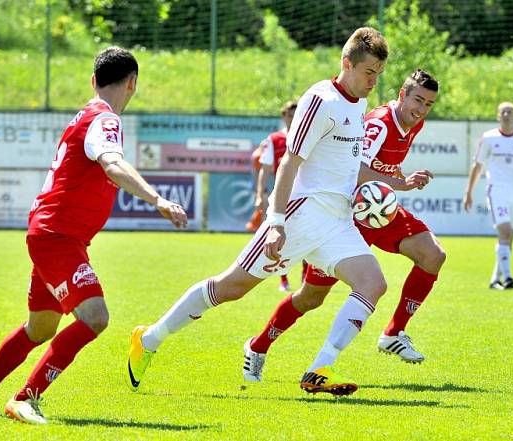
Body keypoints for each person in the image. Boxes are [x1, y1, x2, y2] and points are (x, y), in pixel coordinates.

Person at [126, 27, 390, 397]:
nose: (373, 83)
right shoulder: (320, 100)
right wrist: (277, 222)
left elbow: (342, 163)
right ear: (347, 63)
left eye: (378, 75)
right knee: (231, 287)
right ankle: (149, 338)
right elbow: (289, 163)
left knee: (373, 283)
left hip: (336, 221)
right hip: (300, 216)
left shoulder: (358, 104)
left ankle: (320, 368)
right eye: (368, 74)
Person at [0, 47, 188, 424]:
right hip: (58, 236)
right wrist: (158, 198)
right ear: (132, 83)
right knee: (95, 317)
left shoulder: (86, 115)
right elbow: (112, 163)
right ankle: (25, 398)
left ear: (93, 79)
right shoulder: (105, 119)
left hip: (54, 234)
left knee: (41, 327)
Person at [241, 69, 442, 382]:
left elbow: (383, 166)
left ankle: (393, 333)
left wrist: (400, 180)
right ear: (402, 95)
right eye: (417, 99)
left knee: (433, 255)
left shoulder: (415, 123)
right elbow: (357, 171)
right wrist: (400, 185)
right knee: (311, 297)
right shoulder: (378, 123)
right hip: (346, 218)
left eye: (428, 104)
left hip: (378, 211)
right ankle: (258, 346)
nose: (421, 109)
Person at [463, 102, 513, 290]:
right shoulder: (488, 138)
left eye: (510, 112)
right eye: (503, 112)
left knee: (510, 236)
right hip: (496, 190)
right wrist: (468, 192)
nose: (506, 115)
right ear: (498, 116)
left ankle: (495, 279)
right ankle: (508, 277)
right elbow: (478, 165)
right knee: (504, 231)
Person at [254, 100, 298, 292]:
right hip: (281, 197)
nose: (293, 118)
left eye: (296, 115)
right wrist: (259, 194)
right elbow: (264, 169)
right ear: (284, 117)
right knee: (279, 238)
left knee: (307, 234)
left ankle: (305, 279)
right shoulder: (274, 140)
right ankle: (284, 279)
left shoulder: (306, 137)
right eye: (289, 115)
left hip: (303, 196)